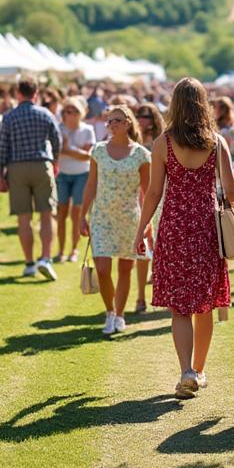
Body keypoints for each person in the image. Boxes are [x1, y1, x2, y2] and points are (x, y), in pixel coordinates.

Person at [135, 78, 234, 399]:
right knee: (205, 303)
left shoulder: (163, 143)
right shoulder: (216, 142)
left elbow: (154, 192)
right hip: (206, 228)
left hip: (175, 226)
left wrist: (142, 228)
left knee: (180, 308)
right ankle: (198, 370)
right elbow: (232, 190)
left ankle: (186, 370)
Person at [81, 105, 152, 335]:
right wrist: (83, 215)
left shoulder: (141, 154)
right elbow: (91, 184)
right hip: (101, 217)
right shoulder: (98, 150)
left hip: (129, 218)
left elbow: (147, 191)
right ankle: (109, 311)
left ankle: (120, 314)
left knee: (125, 268)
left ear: (128, 123)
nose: (113, 125)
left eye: (118, 121)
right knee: (102, 268)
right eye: (110, 121)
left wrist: (147, 222)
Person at [0, 77, 62, 281]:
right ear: (36, 94)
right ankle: (46, 258)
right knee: (46, 214)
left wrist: (0, 173)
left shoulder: (9, 116)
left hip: (17, 167)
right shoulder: (46, 114)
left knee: (24, 218)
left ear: (18, 93)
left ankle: (29, 263)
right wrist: (55, 161)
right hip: (42, 164)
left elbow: (2, 147)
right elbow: (57, 140)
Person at [134, 102, 166, 312]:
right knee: (142, 245)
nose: (141, 119)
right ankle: (140, 296)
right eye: (138, 115)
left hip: (159, 193)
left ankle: (162, 289)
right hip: (137, 193)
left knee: (161, 244)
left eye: (145, 116)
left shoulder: (161, 141)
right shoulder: (134, 140)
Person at [55, 98, 95, 263]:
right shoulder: (58, 129)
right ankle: (60, 251)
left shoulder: (87, 129)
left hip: (82, 174)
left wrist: (67, 149)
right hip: (62, 175)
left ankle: (73, 250)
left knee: (77, 215)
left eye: (73, 111)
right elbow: (55, 152)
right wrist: (72, 152)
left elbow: (88, 155)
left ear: (80, 113)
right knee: (61, 214)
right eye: (66, 111)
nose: (69, 115)